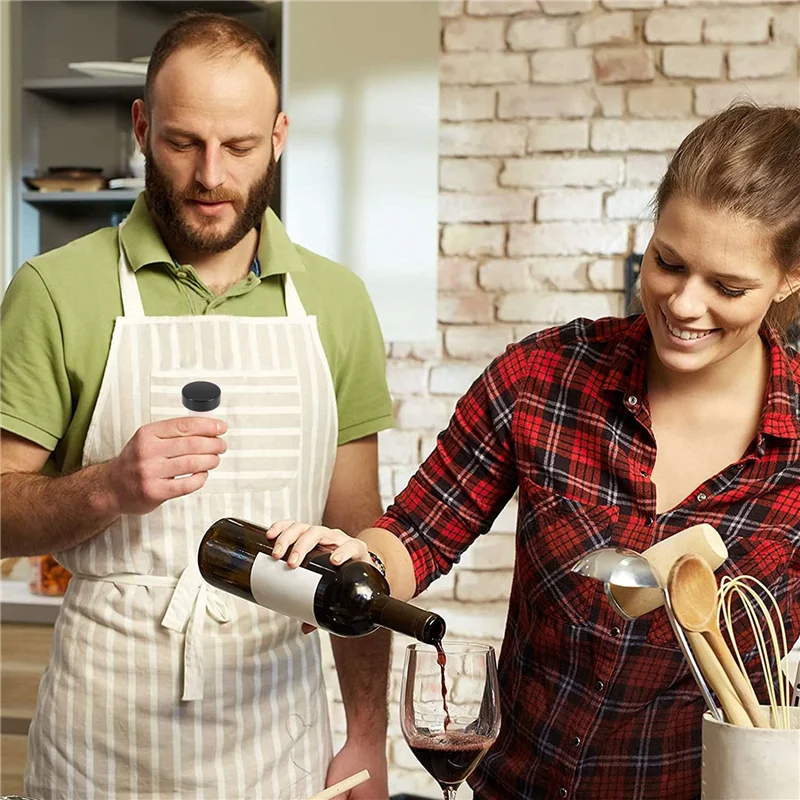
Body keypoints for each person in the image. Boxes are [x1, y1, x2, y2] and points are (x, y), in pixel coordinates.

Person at [267, 102, 800, 799]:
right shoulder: (544, 377)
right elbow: (418, 533)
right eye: (667, 263)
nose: (683, 304)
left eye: (727, 287)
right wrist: (356, 563)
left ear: (790, 277)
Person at [0, 12, 394, 800]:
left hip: (277, 736)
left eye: (239, 146)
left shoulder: (338, 302)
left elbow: (355, 539)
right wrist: (108, 487)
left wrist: (364, 734)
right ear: (142, 128)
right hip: (101, 740)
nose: (211, 175)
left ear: (278, 137)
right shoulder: (54, 290)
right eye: (184, 143)